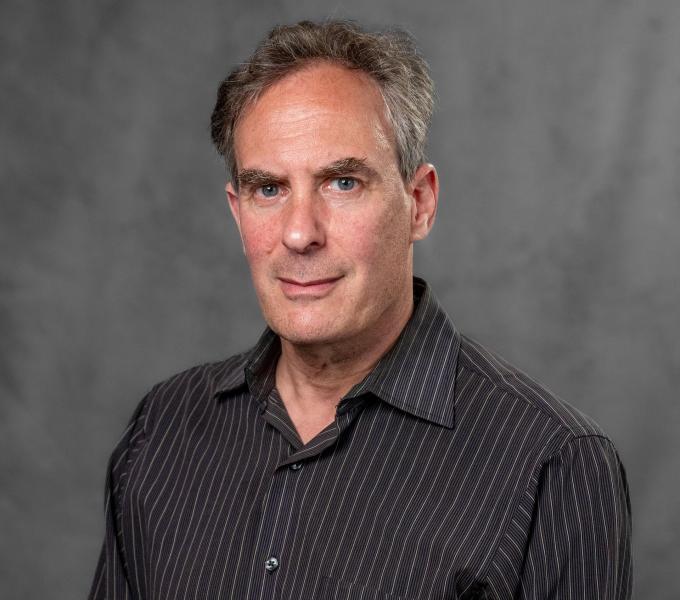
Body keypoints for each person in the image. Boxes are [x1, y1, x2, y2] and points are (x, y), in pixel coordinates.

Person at [88, 20, 632, 600]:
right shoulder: (164, 429)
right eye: (268, 189)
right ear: (236, 211)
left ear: (419, 203)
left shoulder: (553, 464)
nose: (299, 233)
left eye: (342, 182)